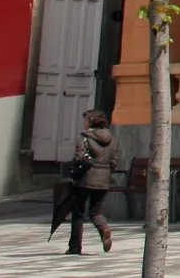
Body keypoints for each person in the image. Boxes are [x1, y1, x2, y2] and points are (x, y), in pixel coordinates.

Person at [64, 108, 117, 254]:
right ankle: (104, 228)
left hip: (85, 179)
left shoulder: (84, 137)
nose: (83, 122)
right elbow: (114, 162)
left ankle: (75, 247)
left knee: (78, 212)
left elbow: (79, 157)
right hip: (104, 180)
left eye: (85, 119)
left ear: (91, 121)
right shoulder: (112, 139)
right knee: (96, 211)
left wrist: (72, 167)